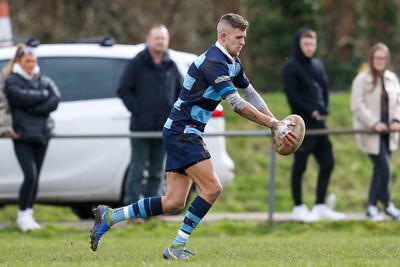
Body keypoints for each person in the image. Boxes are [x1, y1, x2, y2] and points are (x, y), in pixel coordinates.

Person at [90, 13, 297, 260]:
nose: (243, 42)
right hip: (183, 132)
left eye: (244, 37)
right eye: (239, 37)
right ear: (223, 35)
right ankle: (177, 246)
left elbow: (251, 94)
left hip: (181, 131)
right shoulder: (213, 62)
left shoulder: (233, 62)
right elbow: (236, 103)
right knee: (212, 187)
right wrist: (274, 124)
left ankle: (111, 216)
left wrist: (277, 124)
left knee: (174, 202)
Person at [117, 24, 183, 223]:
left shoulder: (171, 64)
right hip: (141, 128)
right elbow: (123, 89)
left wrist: (174, 113)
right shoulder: (137, 62)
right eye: (156, 38)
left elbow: (182, 92)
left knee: (156, 172)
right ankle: (132, 214)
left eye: (163, 38)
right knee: (137, 170)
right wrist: (137, 109)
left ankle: (151, 213)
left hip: (164, 129)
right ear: (148, 39)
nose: (160, 42)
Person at [282, 28, 345, 223]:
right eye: (306, 44)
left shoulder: (317, 65)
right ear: (299, 44)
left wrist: (323, 110)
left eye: (312, 44)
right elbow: (293, 96)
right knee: (300, 166)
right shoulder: (291, 67)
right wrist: (310, 112)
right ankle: (298, 206)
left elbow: (324, 90)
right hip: (302, 126)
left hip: (320, 125)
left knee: (327, 162)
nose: (310, 48)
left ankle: (319, 205)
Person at [3, 43, 61, 231]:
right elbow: (21, 98)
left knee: (36, 178)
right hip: (23, 135)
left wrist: (35, 106)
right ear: (18, 61)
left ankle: (29, 213)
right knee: (30, 175)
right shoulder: (12, 80)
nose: (31, 64)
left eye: (33, 61)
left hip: (42, 134)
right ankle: (22, 214)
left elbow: (54, 99)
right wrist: (41, 98)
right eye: (27, 61)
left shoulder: (42, 79)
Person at [351, 42, 400, 221]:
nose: (381, 61)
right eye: (377, 58)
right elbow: (357, 106)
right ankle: (387, 205)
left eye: (384, 58)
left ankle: (371, 206)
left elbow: (398, 102)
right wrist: (374, 123)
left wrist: (396, 120)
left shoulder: (392, 79)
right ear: (372, 59)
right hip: (371, 133)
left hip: (390, 133)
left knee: (380, 169)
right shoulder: (361, 79)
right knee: (384, 168)